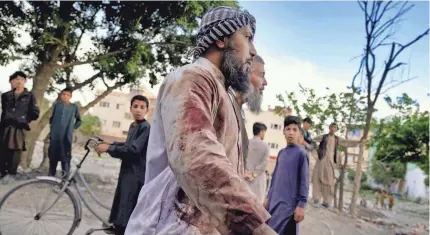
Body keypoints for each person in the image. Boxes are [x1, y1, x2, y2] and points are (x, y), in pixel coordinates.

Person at [126, 6, 276, 235]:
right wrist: (254, 226)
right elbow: (197, 158)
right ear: (222, 39)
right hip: (169, 227)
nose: (253, 51)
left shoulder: (221, 92)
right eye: (247, 38)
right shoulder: (192, 78)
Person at [95, 95, 151, 235]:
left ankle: (122, 230)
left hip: (136, 172)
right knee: (122, 199)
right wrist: (110, 144)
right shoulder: (133, 126)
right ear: (131, 109)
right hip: (127, 170)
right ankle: (117, 227)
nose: (138, 110)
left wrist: (109, 148)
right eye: (135, 106)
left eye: (142, 107)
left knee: (128, 203)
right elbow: (127, 145)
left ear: (147, 110)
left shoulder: (146, 127)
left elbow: (133, 150)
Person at [266, 116, 309, 235]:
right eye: (288, 129)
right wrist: (268, 197)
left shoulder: (301, 154)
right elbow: (275, 178)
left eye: (295, 130)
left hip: (289, 207)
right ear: (283, 132)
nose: (291, 133)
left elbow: (304, 181)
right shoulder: (281, 153)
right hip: (274, 204)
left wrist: (301, 205)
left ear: (299, 133)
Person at [0, 71, 39, 184]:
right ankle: (2, 172)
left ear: (25, 81)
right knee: (3, 149)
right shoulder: (5, 95)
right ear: (12, 81)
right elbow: (4, 111)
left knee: (16, 150)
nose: (19, 81)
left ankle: (12, 173)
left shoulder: (30, 96)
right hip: (5, 125)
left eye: (21, 79)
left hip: (19, 127)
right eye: (16, 79)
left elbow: (35, 113)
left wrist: (24, 120)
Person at [312, 123, 360, 208]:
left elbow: (346, 142)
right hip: (321, 160)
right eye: (332, 127)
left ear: (336, 129)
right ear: (329, 128)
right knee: (317, 178)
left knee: (329, 181)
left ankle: (326, 201)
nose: (333, 129)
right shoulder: (323, 137)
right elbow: (313, 140)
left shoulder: (337, 139)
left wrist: (358, 142)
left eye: (335, 128)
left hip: (330, 162)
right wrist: (316, 149)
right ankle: (316, 199)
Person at [48, 87, 82, 179]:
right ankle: (51, 175)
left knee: (65, 156)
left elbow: (79, 121)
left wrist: (72, 128)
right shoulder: (56, 106)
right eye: (63, 94)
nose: (65, 96)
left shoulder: (74, 107)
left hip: (66, 136)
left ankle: (65, 177)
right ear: (60, 95)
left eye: (67, 95)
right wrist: (53, 129)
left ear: (70, 97)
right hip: (55, 135)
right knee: (53, 154)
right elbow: (51, 119)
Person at [245, 122, 270, 203]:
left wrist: (247, 173)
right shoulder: (265, 146)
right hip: (258, 180)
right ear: (261, 132)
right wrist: (254, 174)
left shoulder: (246, 143)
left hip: (245, 178)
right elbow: (264, 163)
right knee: (257, 205)